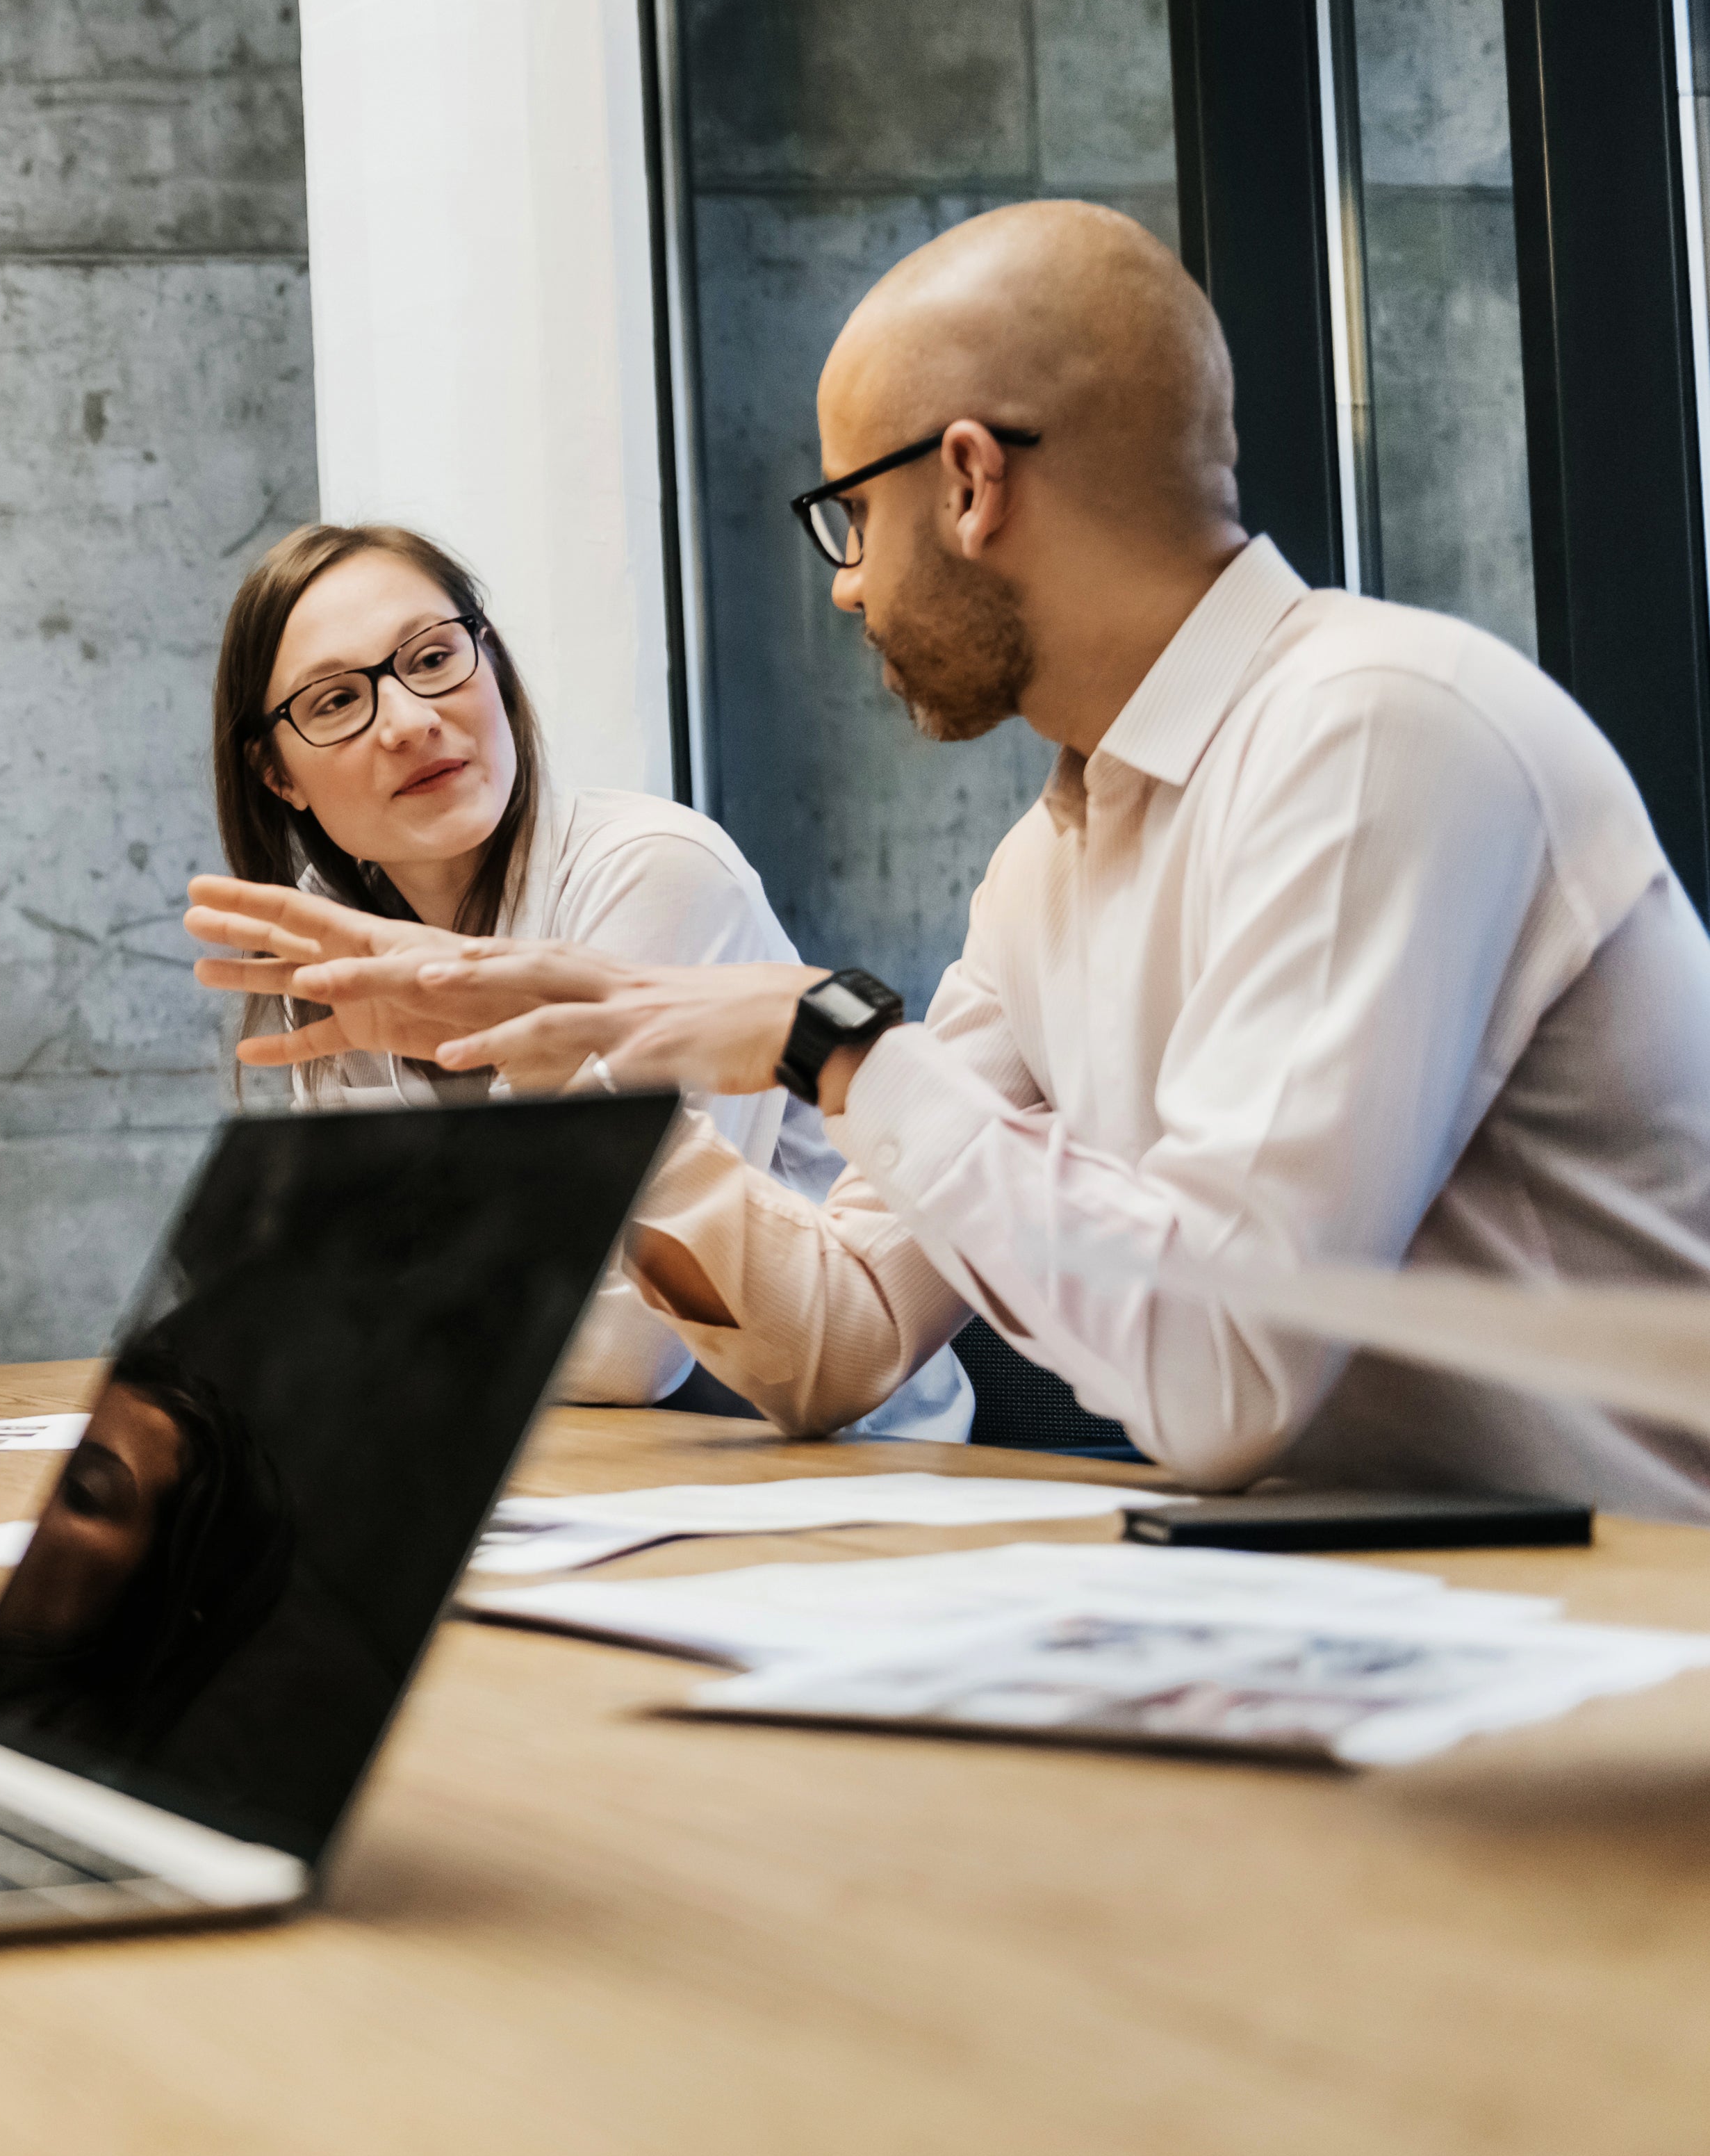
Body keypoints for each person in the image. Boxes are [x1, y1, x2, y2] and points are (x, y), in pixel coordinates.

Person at [190, 200, 1710, 1514]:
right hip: (1383, 1620)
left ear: (968, 481)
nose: (844, 587)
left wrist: (831, 1040)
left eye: (848, 515)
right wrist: (572, 1054)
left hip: (1628, 1643)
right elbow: (836, 1343)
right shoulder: (1045, 865)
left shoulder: (1374, 729)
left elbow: (1224, 1370)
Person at [210, 521, 969, 1431]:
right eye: (335, 702)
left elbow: (632, 1346)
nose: (412, 719)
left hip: (827, 1470)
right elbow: (314, 1305)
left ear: (490, 659)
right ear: (276, 773)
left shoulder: (654, 870)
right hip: (555, 1469)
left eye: (435, 655)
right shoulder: (327, 933)